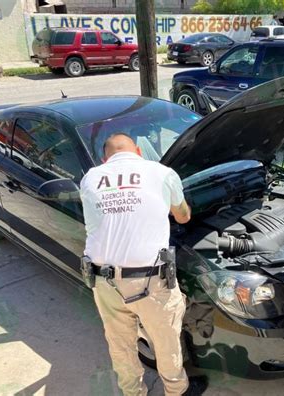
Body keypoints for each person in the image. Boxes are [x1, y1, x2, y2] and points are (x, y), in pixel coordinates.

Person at [80, 134, 207, 396]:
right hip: (150, 281)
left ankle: (133, 393)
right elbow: (182, 216)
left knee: (120, 344)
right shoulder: (161, 171)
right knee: (165, 340)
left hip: (105, 282)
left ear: (106, 159)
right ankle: (176, 391)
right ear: (138, 151)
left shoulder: (90, 178)